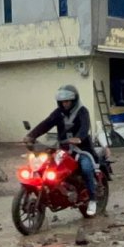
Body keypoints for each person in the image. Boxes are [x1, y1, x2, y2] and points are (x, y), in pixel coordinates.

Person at [24, 85, 100, 216]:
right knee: (49, 167)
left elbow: (85, 126)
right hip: (63, 149)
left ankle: (92, 199)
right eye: (63, 102)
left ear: (74, 100)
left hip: (81, 150)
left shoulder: (82, 111)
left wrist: (79, 138)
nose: (65, 104)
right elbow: (46, 124)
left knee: (86, 168)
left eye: (68, 101)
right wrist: (31, 135)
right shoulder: (58, 113)